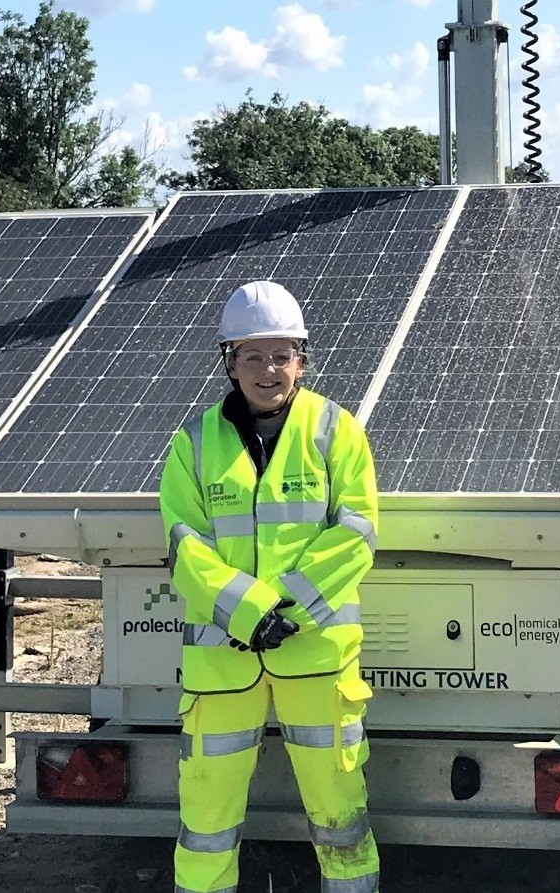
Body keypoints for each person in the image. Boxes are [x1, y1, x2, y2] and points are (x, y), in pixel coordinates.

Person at [160, 280, 381, 893]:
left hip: (317, 660)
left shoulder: (337, 432)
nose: (268, 369)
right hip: (222, 667)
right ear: (228, 362)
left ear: (302, 361)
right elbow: (185, 542)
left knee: (340, 814)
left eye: (281, 355)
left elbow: (357, 531)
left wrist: (288, 609)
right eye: (252, 356)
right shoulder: (195, 442)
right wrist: (251, 612)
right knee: (206, 819)